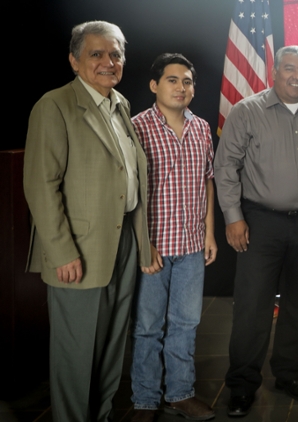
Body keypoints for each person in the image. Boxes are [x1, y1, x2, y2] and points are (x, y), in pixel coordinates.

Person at [23, 20, 151, 421]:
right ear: (75, 61)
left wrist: (141, 243)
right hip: (78, 246)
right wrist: (62, 251)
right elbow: (41, 185)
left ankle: (102, 413)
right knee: (76, 350)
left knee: (113, 340)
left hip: (123, 238)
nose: (108, 62)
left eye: (116, 54)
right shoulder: (55, 105)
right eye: (96, 54)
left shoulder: (120, 104)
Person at [214, 45, 298, 417]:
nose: (297, 76)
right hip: (259, 221)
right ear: (274, 72)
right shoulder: (246, 111)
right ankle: (241, 383)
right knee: (253, 306)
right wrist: (233, 217)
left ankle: (287, 374)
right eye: (289, 68)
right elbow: (226, 167)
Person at [129, 53, 217, 422]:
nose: (181, 87)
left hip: (193, 247)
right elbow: (130, 191)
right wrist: (144, 242)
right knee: (148, 327)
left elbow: (207, 181)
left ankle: (180, 394)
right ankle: (145, 400)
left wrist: (210, 232)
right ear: (154, 85)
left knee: (186, 323)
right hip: (155, 248)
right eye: (172, 80)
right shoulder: (137, 127)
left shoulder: (201, 128)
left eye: (187, 82)